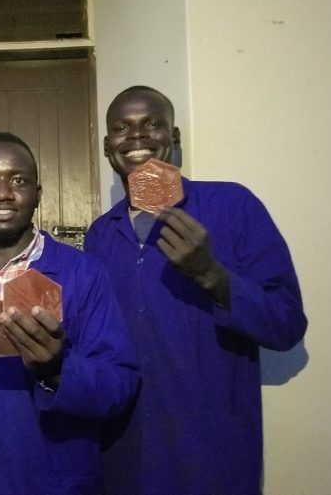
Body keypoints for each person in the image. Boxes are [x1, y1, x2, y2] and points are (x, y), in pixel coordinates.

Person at [84, 86, 308, 495]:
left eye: (152, 124)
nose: (136, 137)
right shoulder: (100, 234)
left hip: (211, 457)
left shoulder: (233, 205)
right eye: (121, 128)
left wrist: (212, 275)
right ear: (106, 145)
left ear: (175, 137)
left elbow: (287, 324)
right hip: (123, 456)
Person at [0, 132, 139, 495]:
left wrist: (57, 370)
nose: (2, 193)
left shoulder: (84, 274)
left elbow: (119, 385)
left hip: (54, 483)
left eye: (18, 180)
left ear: (38, 193)